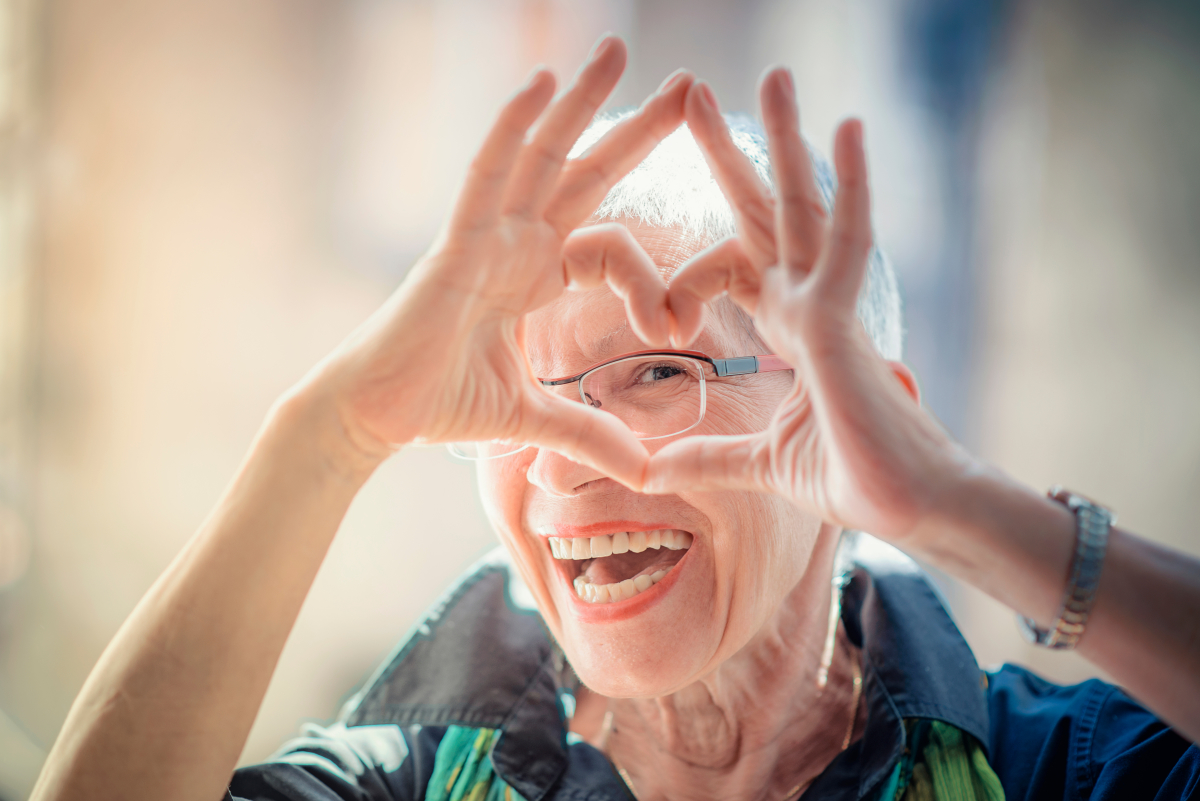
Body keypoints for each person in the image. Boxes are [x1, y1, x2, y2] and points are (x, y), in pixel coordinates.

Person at [28, 35, 1200, 801]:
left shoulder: (1066, 773)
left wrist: (954, 506)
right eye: (522, 401)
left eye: (655, 373)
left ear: (862, 428)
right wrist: (330, 437)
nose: (562, 469)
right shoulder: (408, 782)